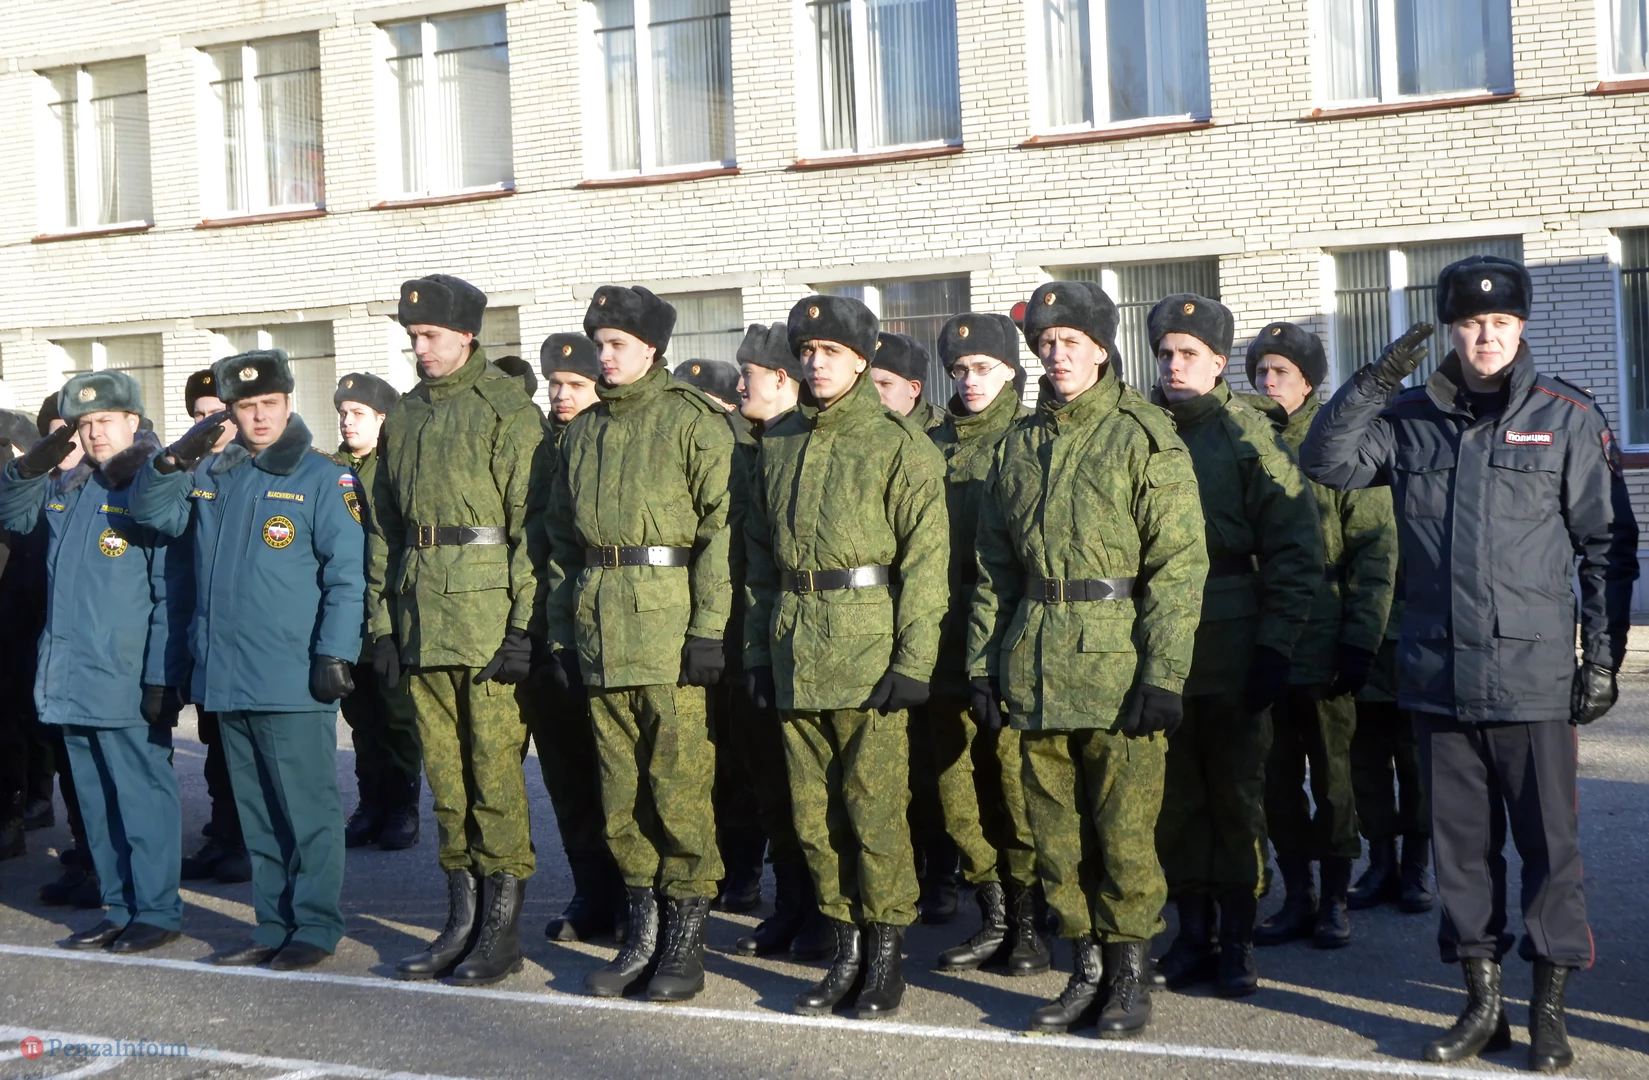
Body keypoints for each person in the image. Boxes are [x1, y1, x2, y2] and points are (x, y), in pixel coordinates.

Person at [1300, 255, 1639, 1072]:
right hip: (1438, 677)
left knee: (1550, 854)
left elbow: (1606, 547)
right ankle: (1482, 1007)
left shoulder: (1563, 416)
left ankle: (1548, 1011)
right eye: (1469, 323)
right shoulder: (1408, 418)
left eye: (1500, 322)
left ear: (1519, 327)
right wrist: (1372, 382)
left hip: (1531, 680)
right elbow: (1325, 461)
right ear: (1450, 331)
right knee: (1459, 855)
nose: (1486, 336)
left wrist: (1601, 659)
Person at [970, 283, 1205, 1036]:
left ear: (1101, 349)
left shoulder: (1142, 436)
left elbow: (1178, 565)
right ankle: (1087, 968)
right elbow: (993, 568)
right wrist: (982, 665)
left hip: (1117, 665)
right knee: (1055, 835)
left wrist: (1163, 674)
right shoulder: (1018, 443)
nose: (1056, 354)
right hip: (1035, 660)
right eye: (1045, 343)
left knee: (1123, 834)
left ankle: (1129, 974)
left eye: (1070, 341)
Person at [743, 294, 948, 1020]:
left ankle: (885, 958)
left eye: (830, 351)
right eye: (806, 351)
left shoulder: (899, 446)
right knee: (814, 815)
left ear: (861, 360)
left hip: (868, 649)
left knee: (873, 811)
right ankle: (845, 948)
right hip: (795, 646)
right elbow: (758, 561)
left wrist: (913, 661)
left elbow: (925, 564)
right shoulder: (779, 444)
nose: (815, 362)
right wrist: (757, 653)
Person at [131, 349, 365, 972]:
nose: (260, 417)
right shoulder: (213, 474)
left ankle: (314, 926)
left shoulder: (323, 478)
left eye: (270, 404)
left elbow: (348, 575)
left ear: (288, 403)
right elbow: (153, 514)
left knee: (307, 811)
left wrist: (336, 651)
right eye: (247, 406)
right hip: (227, 674)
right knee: (256, 813)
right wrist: (172, 460)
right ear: (229, 413)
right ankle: (273, 923)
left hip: (292, 674)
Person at [541, 285, 734, 1003]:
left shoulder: (692, 422)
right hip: (601, 632)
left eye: (617, 344)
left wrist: (707, 631)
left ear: (652, 348)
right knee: (620, 794)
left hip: (668, 631)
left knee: (677, 792)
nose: (605, 356)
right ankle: (642, 935)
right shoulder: (583, 432)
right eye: (599, 344)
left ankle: (684, 947)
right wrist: (564, 635)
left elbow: (720, 535)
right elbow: (563, 545)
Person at [368, 274, 543, 986]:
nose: (420, 348)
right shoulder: (406, 413)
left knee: (493, 775)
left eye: (431, 335)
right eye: (413, 336)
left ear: (466, 336)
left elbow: (531, 527)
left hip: (486, 621)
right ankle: (461, 921)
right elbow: (384, 528)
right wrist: (382, 624)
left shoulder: (506, 408)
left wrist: (523, 627)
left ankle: (500, 932)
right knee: (446, 780)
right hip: (421, 617)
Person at [1148, 294, 1322, 998]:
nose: (1174, 365)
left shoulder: (1249, 435)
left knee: (1236, 795)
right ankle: (1192, 932)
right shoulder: (1140, 430)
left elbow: (1295, 548)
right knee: (1175, 798)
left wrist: (1275, 646)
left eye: (1188, 354)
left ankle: (1238, 938)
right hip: (1156, 642)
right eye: (1165, 353)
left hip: (1232, 640)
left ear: (1218, 363)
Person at [0, 371, 186, 953]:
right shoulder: (73, 488)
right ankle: (119, 904)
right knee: (97, 803)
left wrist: (161, 676)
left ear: (134, 421)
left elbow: (170, 593)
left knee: (140, 796)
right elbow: (14, 516)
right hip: (72, 676)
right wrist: (28, 468)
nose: (94, 432)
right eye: (84, 424)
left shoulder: (151, 487)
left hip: (124, 677)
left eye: (105, 420)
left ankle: (157, 910)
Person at [1244, 324, 1397, 952]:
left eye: (1280, 371)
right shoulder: (1247, 441)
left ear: (1309, 382)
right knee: (1275, 778)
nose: (1267, 382)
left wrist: (1361, 641)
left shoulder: (1340, 444)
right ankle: (1297, 894)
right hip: (1264, 638)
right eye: (1260, 371)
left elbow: (1375, 551)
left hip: (1326, 634)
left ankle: (1335, 897)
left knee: (1335, 778)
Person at [925, 311, 1048, 979]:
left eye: (983, 369)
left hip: (1004, 637)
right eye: (958, 370)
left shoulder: (1028, 439)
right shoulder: (928, 445)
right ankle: (993, 915)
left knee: (1012, 786)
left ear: (1011, 372)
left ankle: (1028, 924)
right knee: (956, 789)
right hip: (939, 639)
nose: (969, 381)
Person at [726, 322, 833, 962]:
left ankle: (823, 910)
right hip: (747, 635)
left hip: (799, 636)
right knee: (768, 781)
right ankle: (791, 902)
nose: (740, 386)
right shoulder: (747, 445)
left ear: (782, 379)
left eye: (749, 376)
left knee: (809, 788)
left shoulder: (803, 445)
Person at [527, 332, 623, 943]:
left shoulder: (612, 445)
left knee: (616, 775)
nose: (562, 395)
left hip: (603, 629)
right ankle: (591, 891)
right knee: (566, 777)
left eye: (576, 385)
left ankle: (633, 897)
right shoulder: (536, 446)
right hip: (541, 632)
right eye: (555, 385)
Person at [672, 354, 766, 913]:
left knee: (738, 761)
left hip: (732, 627)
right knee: (706, 762)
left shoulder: (745, 449)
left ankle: (743, 871)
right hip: (688, 624)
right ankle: (723, 870)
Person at [334, 373, 422, 851]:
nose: (347, 422)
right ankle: (371, 803)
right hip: (346, 612)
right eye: (343, 414)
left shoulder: (395, 467)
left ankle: (403, 804)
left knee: (397, 714)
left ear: (382, 419)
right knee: (361, 716)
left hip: (388, 609)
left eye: (358, 413)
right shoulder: (330, 471)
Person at [176, 368, 252, 886]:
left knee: (244, 748)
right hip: (203, 631)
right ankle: (223, 834)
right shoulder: (188, 472)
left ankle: (247, 841)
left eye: (216, 414)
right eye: (199, 415)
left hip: (244, 634)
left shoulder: (256, 469)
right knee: (215, 744)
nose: (208, 424)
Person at [1346, 559, 1433, 915]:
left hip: (1417, 636)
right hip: (1361, 633)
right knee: (1365, 761)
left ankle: (1415, 867)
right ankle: (1381, 863)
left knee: (1418, 762)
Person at [871, 331, 946, 433]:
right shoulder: (859, 422)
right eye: (868, 383)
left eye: (885, 384)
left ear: (914, 388)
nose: (874, 393)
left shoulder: (940, 432)